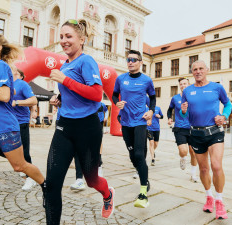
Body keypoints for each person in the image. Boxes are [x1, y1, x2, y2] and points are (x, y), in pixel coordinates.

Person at [0, 32, 45, 225]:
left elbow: (5, 96)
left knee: (19, 166)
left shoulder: (1, 66)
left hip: (5, 125)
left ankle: (46, 186)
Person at [46, 19, 115, 223]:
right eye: (61, 37)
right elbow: (72, 94)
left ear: (82, 40)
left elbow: (96, 94)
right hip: (64, 127)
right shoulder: (64, 65)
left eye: (69, 36)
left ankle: (107, 193)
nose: (64, 41)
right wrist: (59, 100)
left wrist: (64, 80)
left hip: (87, 127)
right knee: (52, 184)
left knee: (91, 179)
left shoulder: (87, 61)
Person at [181, 60, 232, 220]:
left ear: (207, 70)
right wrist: (183, 112)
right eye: (194, 69)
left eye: (200, 68)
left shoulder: (216, 87)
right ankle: (209, 196)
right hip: (196, 133)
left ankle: (220, 200)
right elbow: (185, 115)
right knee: (203, 169)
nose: (197, 71)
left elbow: (228, 104)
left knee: (216, 166)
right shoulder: (187, 91)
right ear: (192, 72)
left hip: (215, 132)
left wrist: (224, 116)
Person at [112, 49, 155, 208]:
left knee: (139, 153)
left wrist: (150, 111)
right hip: (125, 122)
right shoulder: (121, 79)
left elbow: (153, 97)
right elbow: (115, 94)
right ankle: (145, 178)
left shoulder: (146, 80)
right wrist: (117, 103)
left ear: (140, 62)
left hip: (140, 121)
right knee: (133, 156)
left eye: (134, 60)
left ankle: (143, 192)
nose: (130, 62)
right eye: (128, 59)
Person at [0, 66, 38, 190]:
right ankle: (22, 165)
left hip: (20, 122)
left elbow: (33, 100)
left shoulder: (22, 84)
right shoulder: (4, 84)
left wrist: (17, 102)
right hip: (6, 123)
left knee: (25, 152)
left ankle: (31, 178)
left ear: (17, 73)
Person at [70, 102, 108, 190]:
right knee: (77, 149)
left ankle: (98, 167)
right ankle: (79, 179)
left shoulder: (102, 105)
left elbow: (106, 111)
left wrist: (106, 118)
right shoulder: (81, 101)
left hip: (97, 124)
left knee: (96, 147)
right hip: (82, 123)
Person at [167, 77, 198, 182]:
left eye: (185, 83)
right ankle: (183, 158)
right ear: (179, 86)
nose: (183, 85)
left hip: (193, 128)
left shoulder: (194, 97)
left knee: (193, 152)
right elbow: (169, 109)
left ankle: (193, 175)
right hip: (180, 127)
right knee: (184, 151)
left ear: (189, 85)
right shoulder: (175, 98)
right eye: (181, 84)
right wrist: (170, 118)